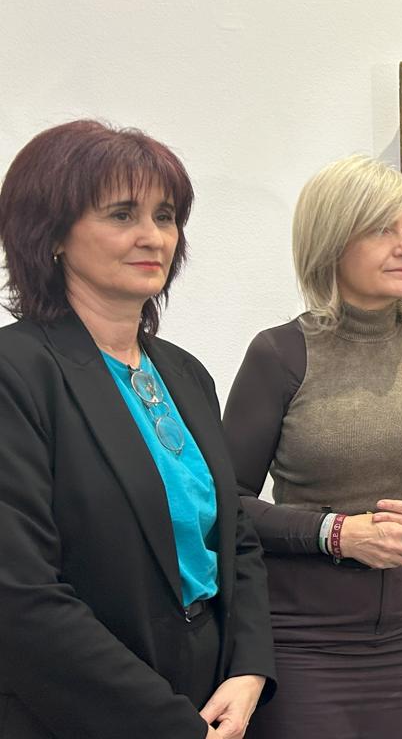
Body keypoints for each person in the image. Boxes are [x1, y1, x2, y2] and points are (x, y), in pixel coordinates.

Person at [0, 120, 276, 739]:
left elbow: (235, 536)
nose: (153, 236)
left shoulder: (184, 373)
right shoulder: (14, 374)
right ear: (52, 236)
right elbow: (18, 597)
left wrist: (250, 670)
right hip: (81, 712)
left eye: (166, 215)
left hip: (215, 695)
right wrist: (168, 725)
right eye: (121, 215)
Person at [223, 154, 402, 738]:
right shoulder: (280, 354)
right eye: (382, 229)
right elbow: (227, 502)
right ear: (333, 242)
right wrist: (337, 532)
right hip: (305, 635)